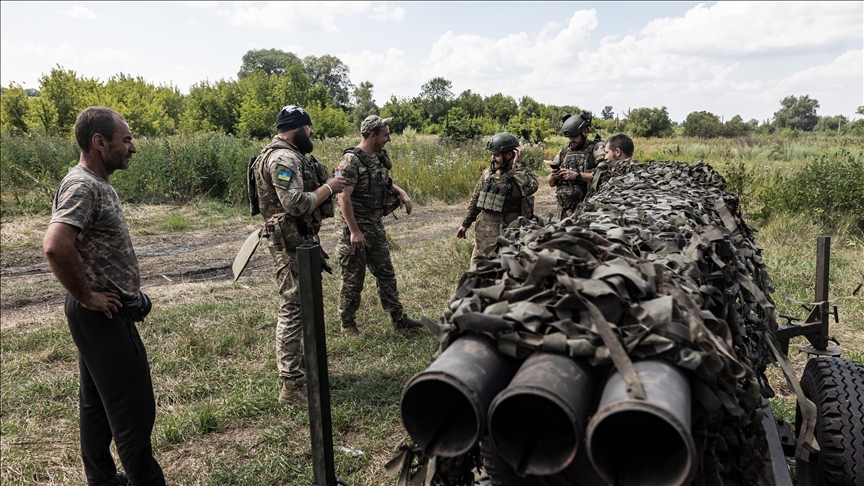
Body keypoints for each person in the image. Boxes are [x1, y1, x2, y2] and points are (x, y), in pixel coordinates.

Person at [43, 106, 166, 486]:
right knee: (133, 411)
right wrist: (89, 297)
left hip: (101, 312)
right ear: (100, 142)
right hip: (102, 316)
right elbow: (55, 245)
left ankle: (102, 479)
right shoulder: (84, 185)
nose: (133, 147)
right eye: (126, 139)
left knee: (96, 406)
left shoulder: (93, 182)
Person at [251, 105, 346, 407]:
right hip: (292, 246)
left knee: (301, 307)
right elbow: (294, 203)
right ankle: (291, 384)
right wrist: (329, 188)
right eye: (309, 127)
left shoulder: (278, 154)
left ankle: (302, 370)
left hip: (299, 243)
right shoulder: (284, 158)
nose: (312, 133)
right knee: (292, 310)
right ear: (297, 128)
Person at [336, 115, 423, 336]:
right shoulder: (350, 161)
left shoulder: (376, 157)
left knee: (386, 274)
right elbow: (343, 198)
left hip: (375, 226)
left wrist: (401, 193)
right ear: (372, 135)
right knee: (353, 279)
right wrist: (355, 232)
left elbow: (384, 181)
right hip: (355, 230)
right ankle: (347, 324)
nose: (389, 138)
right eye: (385, 134)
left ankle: (398, 318)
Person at [456, 132, 539, 267]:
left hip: (509, 238)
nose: (493, 158)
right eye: (492, 154)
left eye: (497, 155)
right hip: (483, 237)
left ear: (510, 154)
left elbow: (530, 188)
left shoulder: (521, 173)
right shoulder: (488, 173)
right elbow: (476, 199)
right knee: (475, 275)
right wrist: (465, 224)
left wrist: (517, 165)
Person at [547, 111, 606, 219]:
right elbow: (551, 183)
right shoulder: (563, 152)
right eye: (569, 137)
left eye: (575, 136)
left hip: (587, 211)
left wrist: (577, 176)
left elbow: (604, 177)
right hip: (563, 212)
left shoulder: (596, 149)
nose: (571, 140)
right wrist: (553, 176)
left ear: (585, 132)